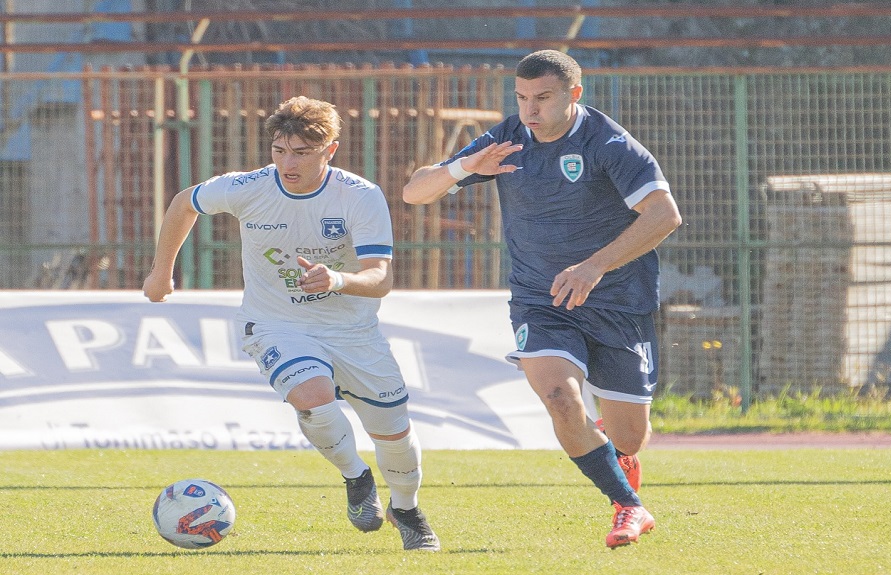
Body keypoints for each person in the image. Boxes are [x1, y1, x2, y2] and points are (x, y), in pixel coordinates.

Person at [403, 49, 681, 548]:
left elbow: (664, 216)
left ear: (575, 94)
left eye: (543, 98)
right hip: (541, 300)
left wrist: (596, 265)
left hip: (618, 300)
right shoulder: (507, 138)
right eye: (522, 97)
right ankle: (629, 507)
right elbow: (414, 193)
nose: (530, 110)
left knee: (629, 437)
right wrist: (467, 165)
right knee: (558, 397)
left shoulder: (610, 143)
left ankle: (615, 450)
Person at [144, 95, 440, 552]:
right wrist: (161, 272)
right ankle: (356, 477)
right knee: (313, 399)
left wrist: (337, 279)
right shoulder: (249, 186)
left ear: (331, 150)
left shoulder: (359, 196)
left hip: (352, 331)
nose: (288, 162)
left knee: (394, 434)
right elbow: (185, 203)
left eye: (302, 153)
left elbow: (380, 279)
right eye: (280, 151)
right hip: (275, 323)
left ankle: (406, 509)